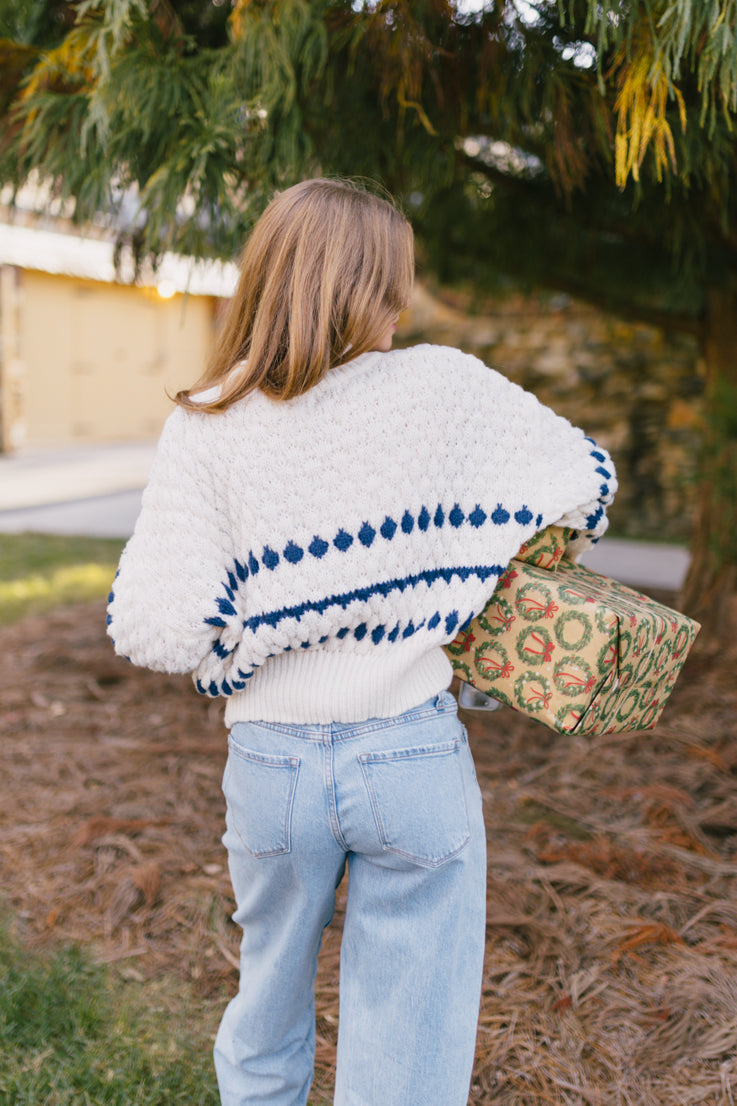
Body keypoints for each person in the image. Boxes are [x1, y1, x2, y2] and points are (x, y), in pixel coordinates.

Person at [107, 177, 616, 1106]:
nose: (403, 304)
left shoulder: (208, 418)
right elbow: (585, 480)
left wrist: (246, 637)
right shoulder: (440, 386)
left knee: (264, 1002)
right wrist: (462, 569)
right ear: (357, 288)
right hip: (409, 751)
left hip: (270, 766)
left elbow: (159, 626)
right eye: (393, 282)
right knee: (409, 1034)